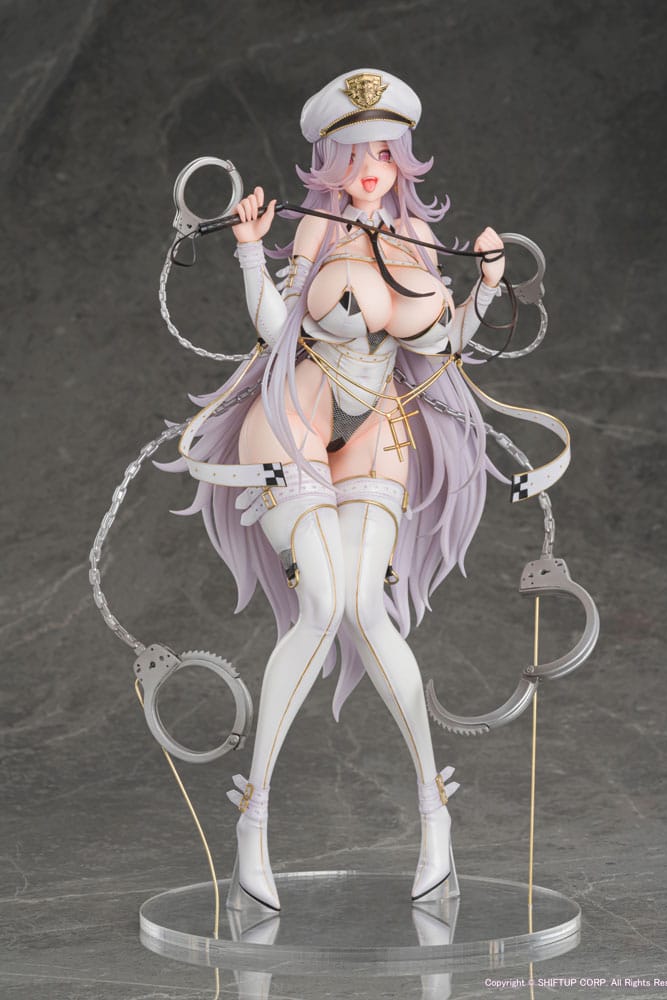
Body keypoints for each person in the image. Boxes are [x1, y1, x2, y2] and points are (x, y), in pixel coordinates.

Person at [165, 68, 508, 912]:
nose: (371, 169)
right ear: (330, 158)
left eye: (385, 153)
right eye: (356, 154)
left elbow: (445, 346)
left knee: (365, 606)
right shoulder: (317, 228)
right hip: (298, 415)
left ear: (403, 160)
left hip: (382, 426)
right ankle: (254, 819)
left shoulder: (419, 239)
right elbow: (276, 330)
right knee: (320, 603)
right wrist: (251, 249)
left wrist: (489, 287)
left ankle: (435, 813)